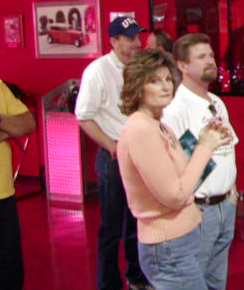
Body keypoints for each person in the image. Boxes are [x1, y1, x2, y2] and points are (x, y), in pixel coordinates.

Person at [117, 49, 231, 289]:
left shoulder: (158, 125)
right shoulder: (141, 130)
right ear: (137, 87)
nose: (165, 87)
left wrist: (206, 142)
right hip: (168, 246)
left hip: (182, 239)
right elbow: (175, 195)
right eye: (154, 81)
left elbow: (184, 175)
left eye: (168, 79)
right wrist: (204, 147)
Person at [75, 16, 150, 290]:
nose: (137, 43)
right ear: (114, 41)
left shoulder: (140, 69)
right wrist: (112, 147)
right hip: (114, 158)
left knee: (137, 221)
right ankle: (107, 283)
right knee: (111, 226)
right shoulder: (98, 71)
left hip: (140, 154)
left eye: (138, 37)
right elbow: (84, 117)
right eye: (130, 39)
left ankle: (136, 276)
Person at [162, 33, 239, 290]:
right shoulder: (176, 109)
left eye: (211, 55)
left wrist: (233, 193)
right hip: (199, 210)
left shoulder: (217, 102)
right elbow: (178, 163)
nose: (210, 61)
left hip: (225, 205)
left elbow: (229, 148)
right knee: (195, 280)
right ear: (182, 65)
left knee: (217, 280)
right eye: (202, 57)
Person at [0, 78, 35, 290]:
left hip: (4, 195)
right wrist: (9, 129)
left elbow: (28, 124)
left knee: (9, 272)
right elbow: (17, 127)